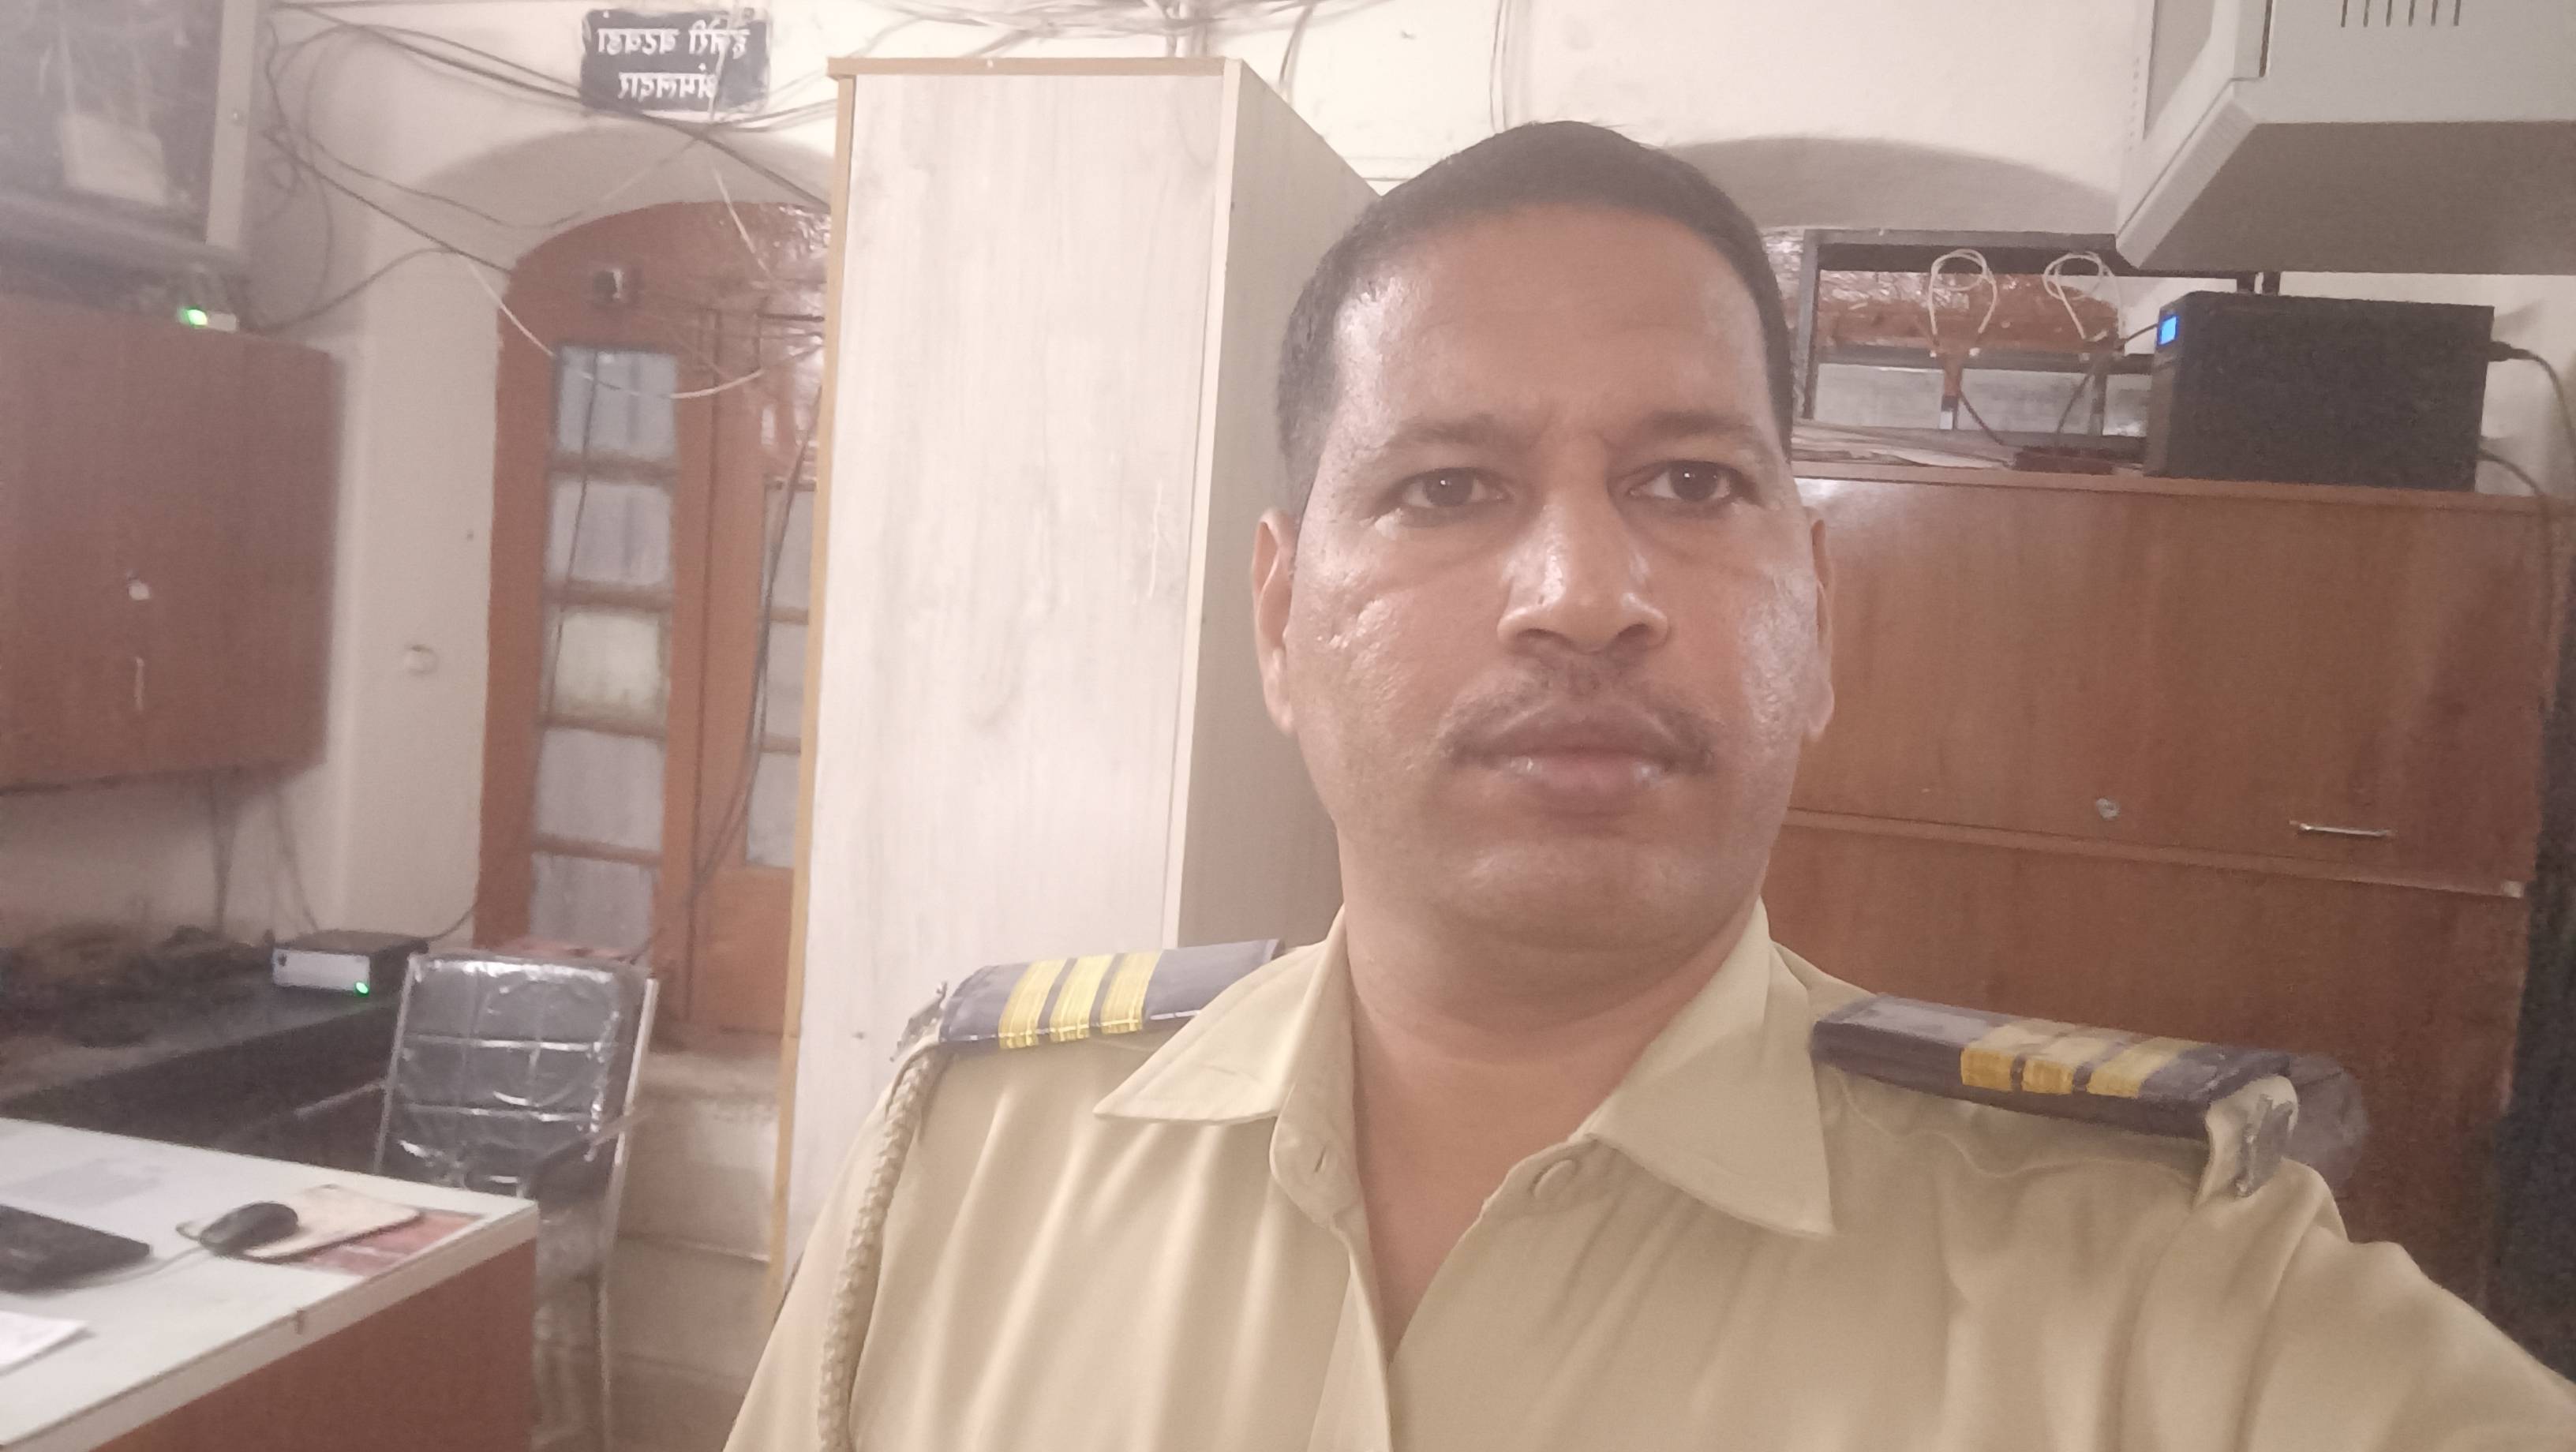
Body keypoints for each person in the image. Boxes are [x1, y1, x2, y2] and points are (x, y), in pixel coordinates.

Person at [725, 121, 2576, 1450]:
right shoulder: (962, 1175)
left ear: (1816, 616)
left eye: (1691, 482)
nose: (1582, 592)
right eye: (1449, 486)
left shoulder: (2171, 1300)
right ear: (1282, 621)